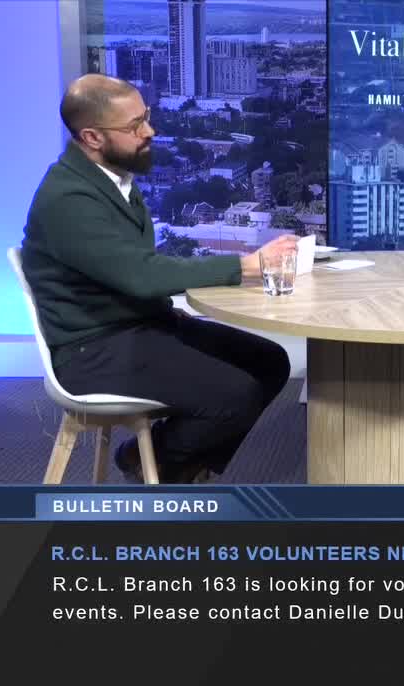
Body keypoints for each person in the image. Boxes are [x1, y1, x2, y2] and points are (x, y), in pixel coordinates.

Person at [21, 74, 294, 484]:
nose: (150, 131)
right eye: (134, 126)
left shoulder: (111, 180)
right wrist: (246, 267)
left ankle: (170, 463)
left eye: (145, 117)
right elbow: (142, 275)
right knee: (235, 395)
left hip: (138, 325)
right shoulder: (68, 199)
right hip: (93, 349)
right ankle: (159, 466)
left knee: (270, 362)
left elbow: (135, 268)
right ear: (92, 137)